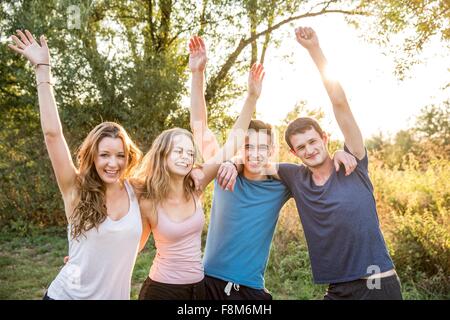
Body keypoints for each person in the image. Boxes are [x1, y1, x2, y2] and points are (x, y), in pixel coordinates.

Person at [188, 36, 358, 300]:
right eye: (248, 147)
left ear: (272, 151)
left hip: (251, 290)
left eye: (262, 148)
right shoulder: (222, 169)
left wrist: (336, 152)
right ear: (238, 148)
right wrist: (197, 73)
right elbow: (199, 126)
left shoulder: (283, 183)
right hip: (207, 282)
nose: (255, 155)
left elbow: (318, 168)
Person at [8, 30, 146, 299]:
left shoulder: (137, 192)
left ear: (128, 157)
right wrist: (43, 70)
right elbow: (52, 135)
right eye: (104, 154)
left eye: (120, 155)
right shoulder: (75, 188)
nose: (112, 163)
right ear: (93, 156)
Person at [276, 26, 402, 300]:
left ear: (324, 137)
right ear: (293, 152)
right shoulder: (295, 177)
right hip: (338, 289)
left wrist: (315, 51)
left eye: (313, 141)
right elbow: (254, 163)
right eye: (301, 147)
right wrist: (231, 164)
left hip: (379, 284)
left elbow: (340, 104)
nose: (309, 150)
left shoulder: (353, 162)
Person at [135, 61, 266, 300]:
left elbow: (233, 143)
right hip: (162, 290)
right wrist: (92, 257)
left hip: (199, 289)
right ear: (162, 155)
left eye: (189, 153)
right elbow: (134, 246)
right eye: (178, 151)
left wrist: (252, 97)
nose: (186, 158)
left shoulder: (196, 184)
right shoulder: (148, 199)